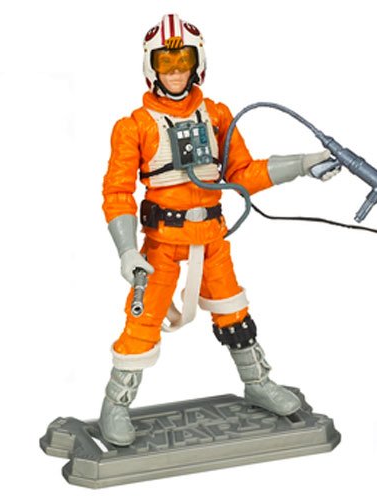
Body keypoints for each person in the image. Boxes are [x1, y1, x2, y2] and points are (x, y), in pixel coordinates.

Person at [99, 13, 337, 446]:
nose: (175, 72)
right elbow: (117, 192)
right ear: (151, 66)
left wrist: (303, 164)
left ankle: (257, 382)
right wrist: (127, 250)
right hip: (161, 245)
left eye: (183, 61)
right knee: (142, 321)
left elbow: (242, 174)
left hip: (211, 240)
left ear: (198, 63)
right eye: (166, 62)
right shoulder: (134, 126)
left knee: (234, 313)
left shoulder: (217, 116)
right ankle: (115, 404)